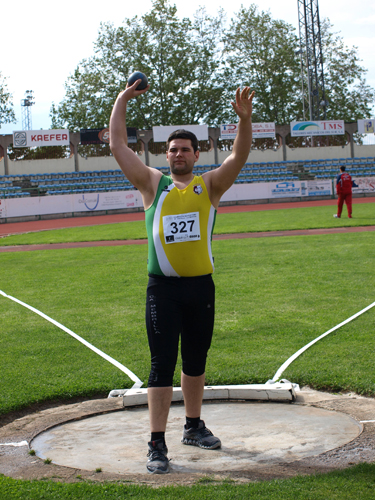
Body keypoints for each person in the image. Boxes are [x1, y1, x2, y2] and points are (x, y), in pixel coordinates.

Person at [109, 79, 255, 474]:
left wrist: (245, 120)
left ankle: (193, 426)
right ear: (166, 155)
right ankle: (157, 443)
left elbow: (239, 156)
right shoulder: (152, 185)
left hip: (200, 288)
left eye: (185, 149)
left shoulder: (209, 187)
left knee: (196, 360)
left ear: (195, 154)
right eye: (172, 149)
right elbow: (118, 146)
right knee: (161, 365)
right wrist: (123, 99)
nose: (178, 154)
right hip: (163, 291)